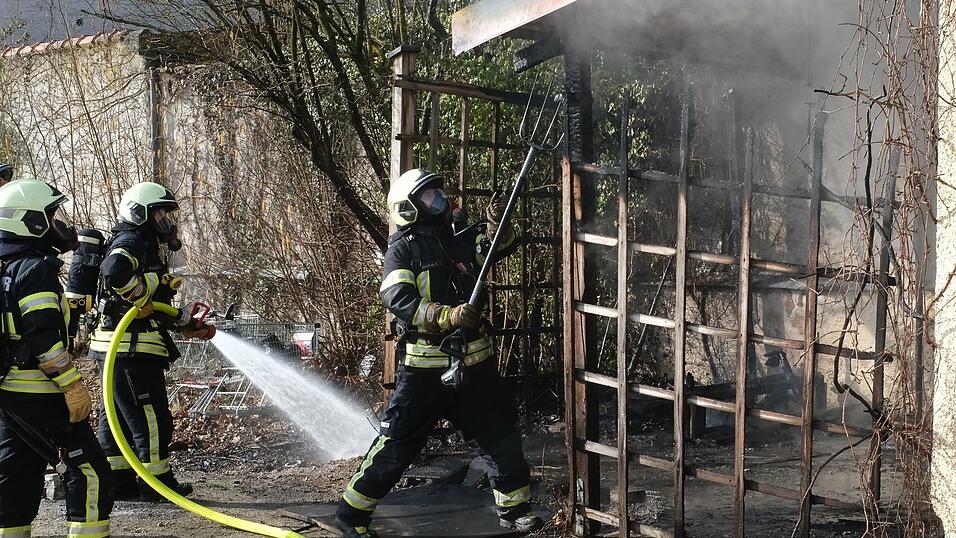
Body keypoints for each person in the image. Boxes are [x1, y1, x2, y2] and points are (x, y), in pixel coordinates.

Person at [335, 169, 543, 537]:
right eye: (430, 197)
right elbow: (398, 298)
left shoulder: (460, 238)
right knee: (398, 446)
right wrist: (447, 316)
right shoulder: (403, 250)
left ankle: (514, 510)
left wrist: (498, 224)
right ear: (409, 208)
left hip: (474, 366)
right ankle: (351, 516)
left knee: (501, 439)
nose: (441, 201)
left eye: (439, 194)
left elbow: (494, 248)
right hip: (425, 371)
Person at [0, 179, 112, 537]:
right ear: (29, 221)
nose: (60, 224)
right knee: (91, 474)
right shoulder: (34, 268)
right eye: (52, 215)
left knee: (13, 479)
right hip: (41, 395)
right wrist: (72, 385)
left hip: (8, 398)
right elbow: (42, 336)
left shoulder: (6, 264)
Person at [89, 181, 210, 501]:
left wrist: (184, 323)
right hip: (131, 349)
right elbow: (115, 273)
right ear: (139, 213)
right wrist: (143, 295)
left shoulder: (136, 242)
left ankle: (120, 482)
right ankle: (157, 484)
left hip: (116, 347)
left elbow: (151, 307)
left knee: (117, 419)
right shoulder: (131, 240)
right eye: (159, 215)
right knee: (151, 418)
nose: (166, 223)